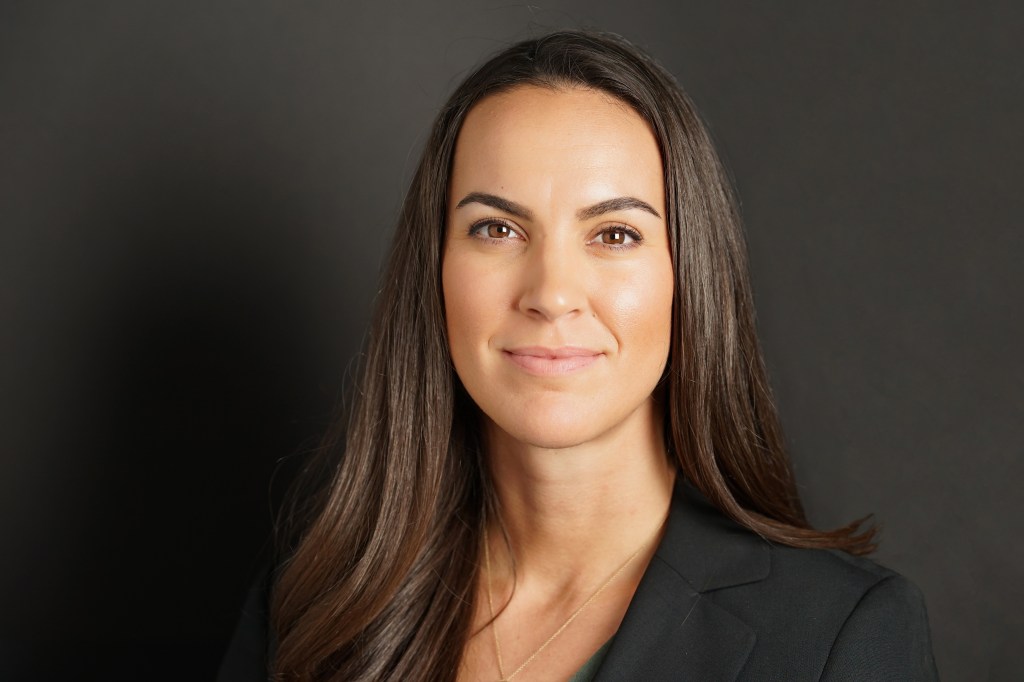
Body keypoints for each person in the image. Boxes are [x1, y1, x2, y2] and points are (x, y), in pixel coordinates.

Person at [218, 30, 938, 681]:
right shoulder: (310, 611)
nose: (552, 293)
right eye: (496, 229)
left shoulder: (840, 637)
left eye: (615, 234)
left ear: (690, 279)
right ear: (432, 270)